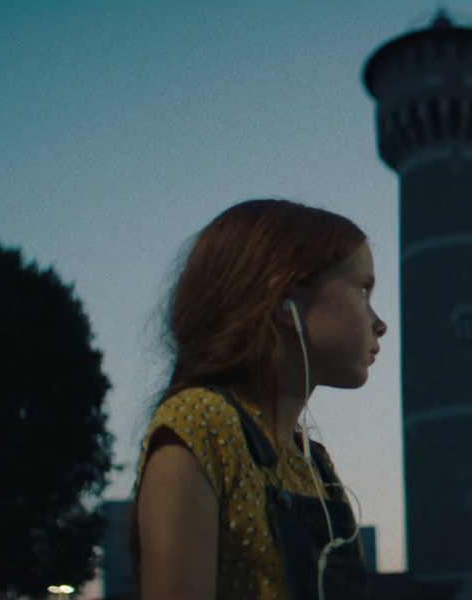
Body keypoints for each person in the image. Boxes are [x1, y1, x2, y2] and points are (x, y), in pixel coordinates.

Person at [131, 199, 387, 600]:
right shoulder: (202, 423)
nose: (379, 323)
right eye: (362, 289)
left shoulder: (312, 463)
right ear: (287, 302)